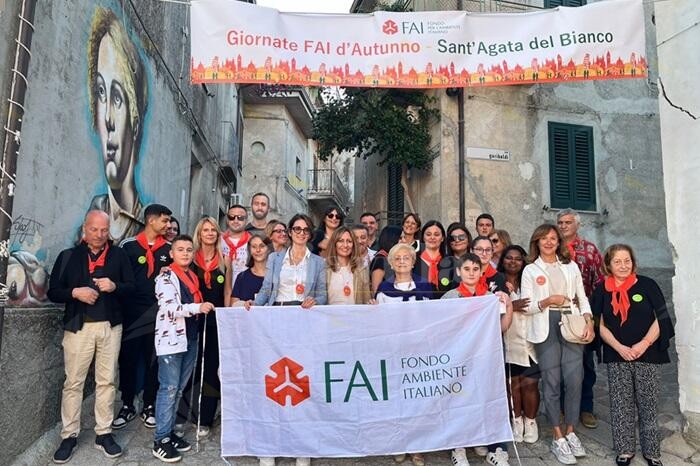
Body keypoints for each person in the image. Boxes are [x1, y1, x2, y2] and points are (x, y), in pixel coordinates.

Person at [48, 210, 135, 463]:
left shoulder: (119, 255)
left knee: (107, 382)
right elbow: (54, 292)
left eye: (104, 230)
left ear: (110, 231)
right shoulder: (68, 256)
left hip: (110, 327)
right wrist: (75, 292)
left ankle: (103, 433)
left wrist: (115, 285)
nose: (99, 235)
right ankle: (69, 435)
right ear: (85, 229)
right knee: (73, 382)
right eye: (94, 229)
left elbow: (132, 287)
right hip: (78, 328)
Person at [592, 245, 674, 466]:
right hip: (617, 353)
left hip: (648, 354)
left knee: (648, 404)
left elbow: (661, 317)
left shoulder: (648, 285)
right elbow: (597, 323)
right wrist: (619, 347)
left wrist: (644, 343)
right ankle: (625, 450)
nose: (623, 265)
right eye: (617, 261)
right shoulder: (601, 290)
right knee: (621, 404)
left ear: (633, 262)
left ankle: (652, 451)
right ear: (608, 265)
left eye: (627, 260)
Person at [521, 224, 594, 465]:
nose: (550, 242)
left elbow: (582, 298)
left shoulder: (570, 266)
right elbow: (528, 306)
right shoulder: (530, 270)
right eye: (544, 238)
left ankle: (571, 431)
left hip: (571, 322)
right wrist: (548, 300)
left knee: (575, 379)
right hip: (545, 326)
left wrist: (589, 321)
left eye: (553, 238)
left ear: (559, 241)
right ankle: (557, 435)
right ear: (537, 242)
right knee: (552, 382)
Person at [443, 253, 514, 466]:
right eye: (467, 269)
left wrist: (508, 306)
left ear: (481, 272)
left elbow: (502, 327)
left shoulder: (491, 297)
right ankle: (459, 446)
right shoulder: (449, 298)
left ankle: (496, 448)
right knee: (460, 399)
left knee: (491, 397)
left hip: (488, 357)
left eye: (475, 269)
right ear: (458, 272)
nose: (471, 273)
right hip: (460, 358)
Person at [86, 8, 148, 243]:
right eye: (101, 92)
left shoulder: (146, 226)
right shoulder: (90, 217)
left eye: (118, 97)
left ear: (136, 120)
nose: (108, 120)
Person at [151, 235, 214, 462]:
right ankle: (161, 439)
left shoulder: (191, 276)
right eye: (180, 249)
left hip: (190, 338)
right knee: (168, 388)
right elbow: (170, 308)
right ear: (172, 253)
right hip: (171, 341)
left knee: (178, 388)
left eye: (189, 249)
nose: (185, 253)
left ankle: (169, 433)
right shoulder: (166, 277)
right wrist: (199, 307)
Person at [114, 204, 172, 431]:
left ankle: (149, 404)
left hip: (158, 314)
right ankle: (127, 403)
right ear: (151, 220)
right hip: (130, 313)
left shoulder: (169, 249)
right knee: (127, 360)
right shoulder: (127, 247)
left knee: (153, 361)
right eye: (165, 221)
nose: (168, 226)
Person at [376, 243, 432, 466]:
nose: (401, 261)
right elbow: (378, 323)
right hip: (393, 350)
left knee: (417, 398)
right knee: (396, 398)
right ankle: (398, 443)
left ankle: (417, 445)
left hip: (418, 350)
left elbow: (433, 318)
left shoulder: (426, 286)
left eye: (406, 257)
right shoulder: (383, 289)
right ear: (390, 263)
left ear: (413, 260)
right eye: (397, 258)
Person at [177, 217, 230, 439]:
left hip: (215, 321)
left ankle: (205, 417)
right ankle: (181, 415)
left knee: (211, 370)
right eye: (205, 230)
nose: (209, 233)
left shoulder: (224, 260)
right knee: (188, 368)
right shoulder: (190, 260)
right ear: (199, 234)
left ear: (218, 235)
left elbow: (227, 291)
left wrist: (227, 319)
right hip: (192, 320)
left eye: (213, 230)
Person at [557, 208, 604, 429]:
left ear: (577, 225)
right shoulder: (551, 249)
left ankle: (586, 408)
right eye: (560, 222)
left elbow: (599, 283)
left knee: (585, 363)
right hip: (558, 314)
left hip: (583, 315)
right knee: (558, 363)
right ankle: (564, 406)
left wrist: (592, 317)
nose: (563, 226)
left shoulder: (590, 251)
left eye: (568, 222)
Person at [498, 245, 539, 445]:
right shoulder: (496, 282)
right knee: (513, 385)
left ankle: (530, 421)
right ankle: (516, 421)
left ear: (524, 262)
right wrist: (511, 306)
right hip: (508, 341)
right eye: (508, 258)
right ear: (502, 260)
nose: (513, 261)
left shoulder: (530, 281)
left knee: (530, 384)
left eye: (518, 259)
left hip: (530, 341)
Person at [253, 213, 327, 309]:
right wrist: (255, 304)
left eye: (306, 230)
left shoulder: (319, 262)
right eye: (297, 229)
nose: (301, 233)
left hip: (305, 313)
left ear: (310, 234)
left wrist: (315, 301)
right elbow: (266, 289)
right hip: (279, 312)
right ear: (290, 232)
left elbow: (322, 294)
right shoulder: (274, 258)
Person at [325, 226, 371, 305]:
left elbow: (367, 299)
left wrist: (371, 303)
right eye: (341, 241)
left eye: (349, 241)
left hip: (354, 316)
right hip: (329, 316)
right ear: (334, 244)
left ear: (353, 245)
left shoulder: (361, 269)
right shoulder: (324, 268)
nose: (345, 245)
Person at [412, 220, 457, 298]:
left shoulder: (451, 262)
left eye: (436, 234)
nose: (432, 237)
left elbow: (455, 289)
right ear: (423, 237)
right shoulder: (412, 260)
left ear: (442, 238)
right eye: (428, 234)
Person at [232, 234, 269, 307]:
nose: (258, 250)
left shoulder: (277, 276)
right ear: (249, 250)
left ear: (269, 249)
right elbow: (233, 304)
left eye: (262, 246)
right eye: (254, 247)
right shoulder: (242, 277)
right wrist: (244, 304)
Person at [222, 204, 252, 289]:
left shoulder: (253, 242)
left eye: (240, 218)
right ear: (227, 220)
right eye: (232, 217)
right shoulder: (218, 240)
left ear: (246, 220)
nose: (236, 220)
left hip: (244, 290)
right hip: (221, 290)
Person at [369, 225, 402, 295]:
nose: (404, 240)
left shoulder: (390, 258)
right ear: (392, 239)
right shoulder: (380, 259)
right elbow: (376, 290)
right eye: (401, 238)